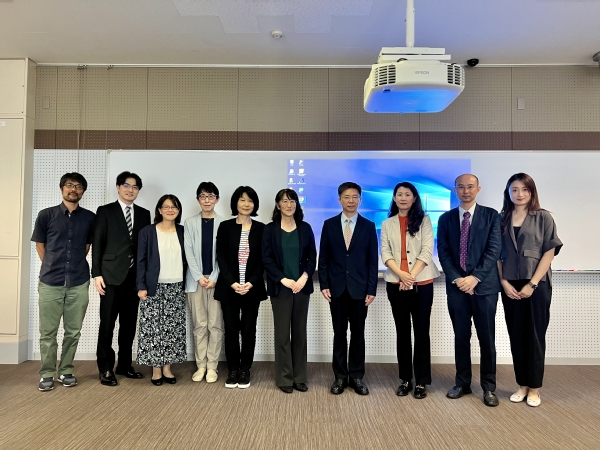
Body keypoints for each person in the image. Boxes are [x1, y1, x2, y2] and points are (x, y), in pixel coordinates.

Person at [437, 173, 502, 407]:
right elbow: (443, 252)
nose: (466, 191)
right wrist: (458, 279)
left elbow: (494, 250)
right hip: (457, 289)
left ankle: (489, 387)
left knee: (487, 338)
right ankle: (462, 383)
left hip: (485, 287)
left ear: (478, 189)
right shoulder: (445, 219)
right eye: (461, 187)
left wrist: (475, 278)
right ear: (455, 190)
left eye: (470, 187)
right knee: (461, 337)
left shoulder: (492, 215)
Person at [498, 173, 562, 407]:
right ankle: (522, 385)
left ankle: (534, 388)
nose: (520, 194)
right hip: (510, 284)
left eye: (525, 189)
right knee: (516, 335)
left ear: (532, 192)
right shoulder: (501, 218)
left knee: (534, 335)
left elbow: (549, 253)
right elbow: (496, 254)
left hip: (537, 284)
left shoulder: (543, 217)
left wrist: (532, 284)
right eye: (514, 190)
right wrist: (504, 282)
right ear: (508, 192)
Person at [31, 173, 95, 391]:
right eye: (69, 185)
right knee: (48, 332)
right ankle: (47, 373)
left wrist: (72, 266)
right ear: (62, 188)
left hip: (78, 281)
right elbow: (40, 245)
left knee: (73, 331)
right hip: (50, 282)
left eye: (78, 186)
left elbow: (87, 246)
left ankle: (66, 370)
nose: (73, 189)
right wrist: (52, 265)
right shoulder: (46, 215)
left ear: (83, 192)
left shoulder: (89, 217)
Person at [380, 182, 440, 399]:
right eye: (399, 194)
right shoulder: (387, 223)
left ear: (414, 198)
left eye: (407, 194)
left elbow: (427, 251)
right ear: (394, 198)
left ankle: (422, 381)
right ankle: (405, 379)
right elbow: (385, 253)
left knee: (422, 332)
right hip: (396, 284)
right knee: (403, 332)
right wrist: (402, 275)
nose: (403, 198)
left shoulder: (424, 220)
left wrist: (411, 276)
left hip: (422, 284)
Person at [318, 182, 378, 396]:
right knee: (339, 334)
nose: (351, 201)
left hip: (360, 290)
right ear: (339, 200)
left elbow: (372, 261)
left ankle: (357, 377)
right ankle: (340, 377)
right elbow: (323, 258)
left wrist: (372, 288)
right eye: (346, 197)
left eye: (354, 197)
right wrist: (324, 284)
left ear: (360, 199)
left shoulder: (368, 226)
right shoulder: (329, 224)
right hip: (336, 289)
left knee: (358, 334)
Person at [92, 171, 151, 386]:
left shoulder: (144, 214)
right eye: (126, 185)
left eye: (135, 187)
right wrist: (96, 273)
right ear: (118, 187)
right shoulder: (105, 211)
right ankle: (105, 368)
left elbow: (144, 247)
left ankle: (125, 365)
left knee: (129, 325)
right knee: (107, 324)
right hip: (110, 277)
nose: (130, 190)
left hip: (134, 279)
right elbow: (98, 242)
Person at [262, 189, 317, 394]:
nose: (288, 204)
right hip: (281, 288)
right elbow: (266, 258)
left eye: (292, 201)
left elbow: (312, 255)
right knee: (283, 334)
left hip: (301, 287)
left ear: (296, 204)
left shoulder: (305, 228)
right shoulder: (270, 230)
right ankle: (285, 377)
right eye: (284, 201)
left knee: (300, 333)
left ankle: (299, 377)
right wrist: (283, 279)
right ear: (278, 205)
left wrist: (304, 277)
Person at [214, 186, 267, 389]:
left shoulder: (261, 228)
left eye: (250, 200)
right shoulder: (225, 227)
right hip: (230, 288)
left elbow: (263, 259)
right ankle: (233, 370)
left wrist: (251, 282)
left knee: (248, 330)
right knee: (231, 329)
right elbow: (221, 257)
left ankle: (245, 369)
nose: (246, 204)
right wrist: (232, 282)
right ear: (235, 202)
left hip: (252, 288)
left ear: (254, 205)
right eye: (242, 200)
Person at [136, 195, 187, 385]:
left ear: (178, 210)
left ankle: (167, 368)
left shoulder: (183, 231)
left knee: (172, 329)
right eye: (166, 206)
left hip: (176, 286)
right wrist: (141, 286)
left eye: (174, 207)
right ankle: (156, 369)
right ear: (159, 210)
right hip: (153, 287)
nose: (170, 210)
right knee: (153, 329)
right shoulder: (147, 232)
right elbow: (140, 261)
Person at [184, 182, 225, 383]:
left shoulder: (224, 223)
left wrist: (214, 277)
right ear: (198, 199)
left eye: (210, 196)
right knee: (199, 325)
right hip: (195, 282)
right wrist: (199, 276)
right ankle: (201, 365)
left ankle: (212, 366)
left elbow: (224, 255)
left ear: (217, 199)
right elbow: (188, 252)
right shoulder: (190, 222)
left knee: (215, 325)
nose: (207, 200)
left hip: (217, 282)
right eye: (203, 196)